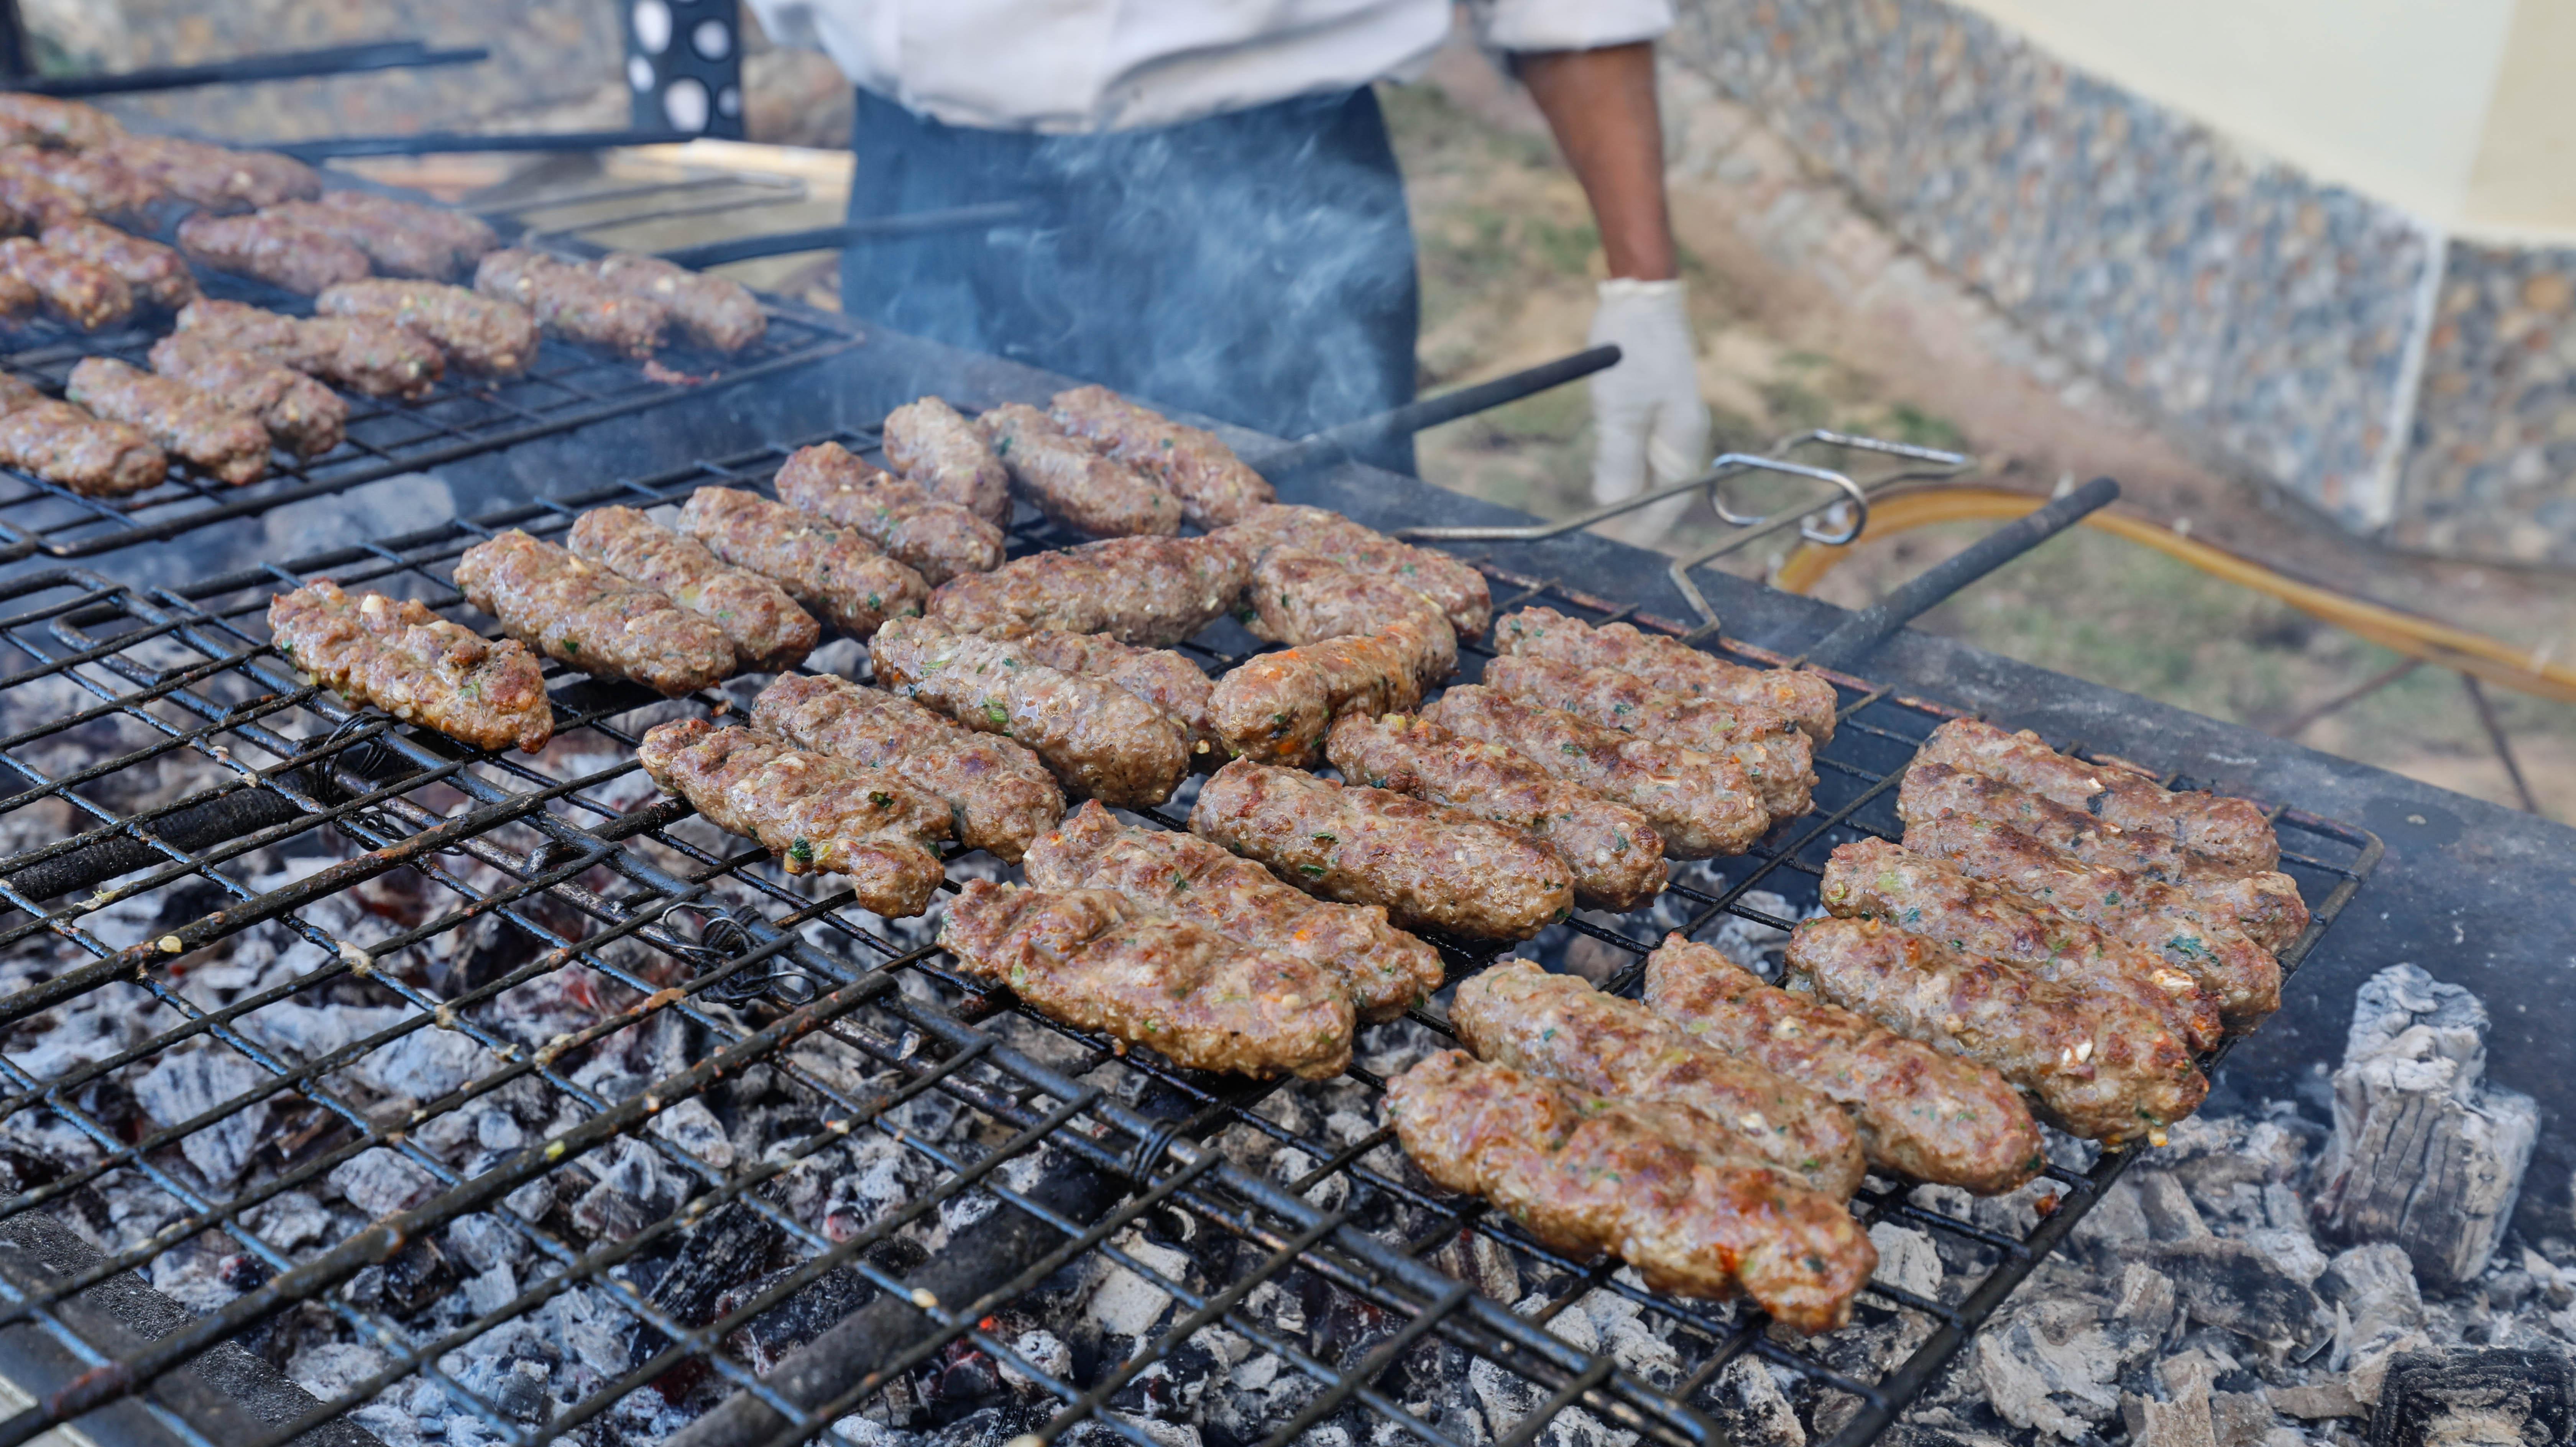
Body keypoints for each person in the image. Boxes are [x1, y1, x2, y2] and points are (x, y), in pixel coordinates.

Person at [746, 0, 1709, 501]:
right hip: (927, 189)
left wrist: (1643, 284)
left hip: (1280, 211)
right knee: (919, 558)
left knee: (1321, 576)